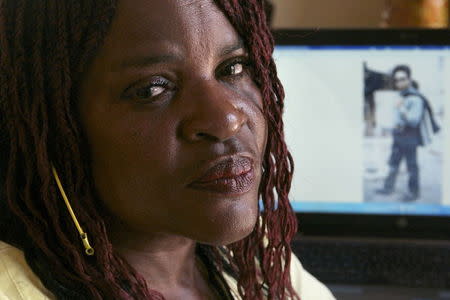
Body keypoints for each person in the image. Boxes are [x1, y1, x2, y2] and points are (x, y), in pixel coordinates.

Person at [0, 0, 336, 299]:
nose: (227, 119)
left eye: (233, 68)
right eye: (152, 89)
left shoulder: (261, 265)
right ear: (54, 126)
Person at [376, 65, 438, 202]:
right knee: (393, 163)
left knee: (411, 166)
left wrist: (402, 107)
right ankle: (388, 188)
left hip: (410, 136)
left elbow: (414, 120)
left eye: (403, 79)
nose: (399, 82)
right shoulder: (400, 95)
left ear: (409, 79)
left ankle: (413, 193)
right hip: (398, 134)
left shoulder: (416, 98)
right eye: (397, 80)